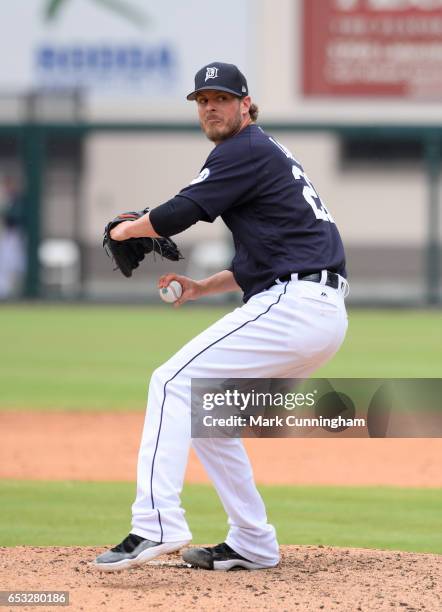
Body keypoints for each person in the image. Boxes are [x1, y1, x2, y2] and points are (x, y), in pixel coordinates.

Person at [94, 61, 349, 572]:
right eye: (202, 100)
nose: (211, 107)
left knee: (170, 382)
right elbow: (268, 257)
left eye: (222, 98)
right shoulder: (263, 153)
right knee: (212, 417)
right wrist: (201, 287)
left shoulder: (243, 149)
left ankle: (155, 523)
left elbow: (179, 212)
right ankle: (253, 541)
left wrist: (126, 230)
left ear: (245, 104)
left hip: (295, 306)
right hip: (315, 309)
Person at [0, 176, 26, 299]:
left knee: (18, 264)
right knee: (5, 263)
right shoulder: (9, 200)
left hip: (16, 235)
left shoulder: (18, 200)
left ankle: (21, 289)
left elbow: (15, 218)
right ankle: (4, 290)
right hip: (9, 235)